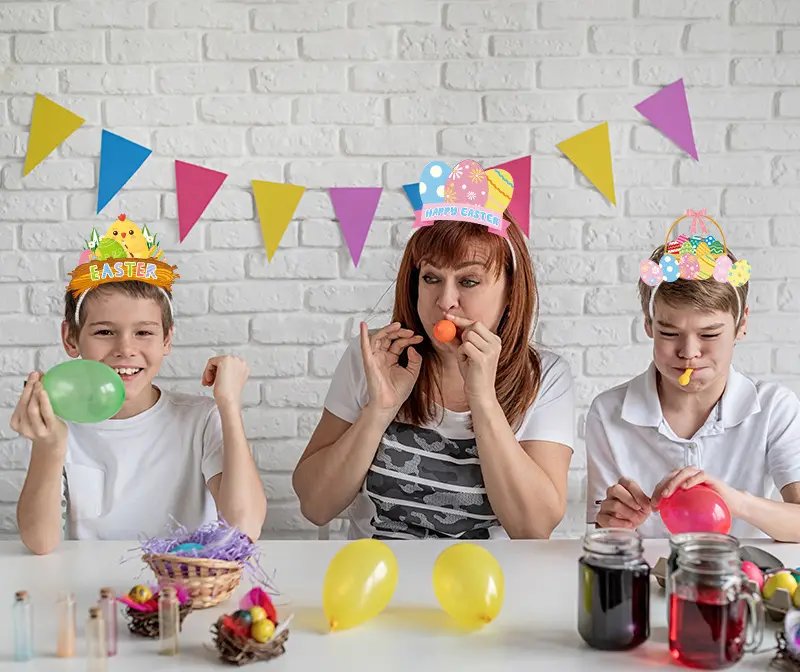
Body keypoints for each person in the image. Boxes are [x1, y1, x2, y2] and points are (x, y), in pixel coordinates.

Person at [292, 212, 576, 540]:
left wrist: (483, 400)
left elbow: (534, 529)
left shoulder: (546, 376)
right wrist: (380, 409)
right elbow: (315, 505)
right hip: (378, 579)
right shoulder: (375, 357)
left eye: (468, 281)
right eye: (431, 278)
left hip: (491, 585)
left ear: (511, 291)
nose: (445, 301)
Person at [11, 215, 266, 553]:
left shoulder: (200, 419)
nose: (125, 349)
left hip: (185, 587)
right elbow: (39, 543)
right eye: (104, 332)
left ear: (166, 339)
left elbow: (244, 528)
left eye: (143, 332)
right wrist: (49, 445)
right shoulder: (60, 426)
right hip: (95, 591)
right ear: (71, 339)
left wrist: (229, 405)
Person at [586, 210, 800, 540]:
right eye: (669, 333)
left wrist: (735, 501)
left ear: (741, 324)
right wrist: (612, 522)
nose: (689, 353)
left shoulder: (774, 408)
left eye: (710, 334)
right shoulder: (608, 412)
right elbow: (604, 532)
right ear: (648, 325)